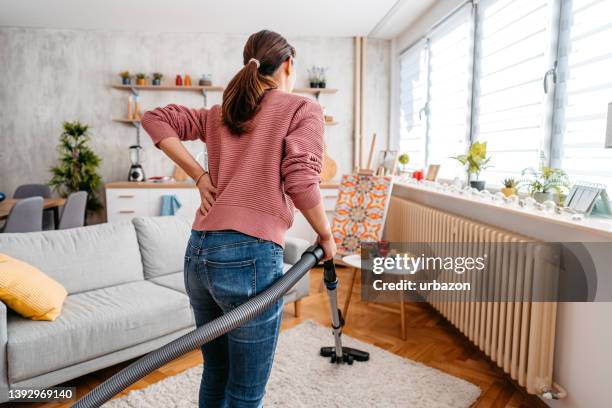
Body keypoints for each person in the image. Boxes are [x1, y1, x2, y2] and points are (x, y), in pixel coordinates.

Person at [141, 29, 336, 408]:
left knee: (216, 371)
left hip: (198, 255)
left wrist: (199, 176)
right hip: (249, 258)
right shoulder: (301, 108)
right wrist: (325, 235)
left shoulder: (221, 114)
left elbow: (155, 118)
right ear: (289, 64)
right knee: (246, 391)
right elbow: (299, 180)